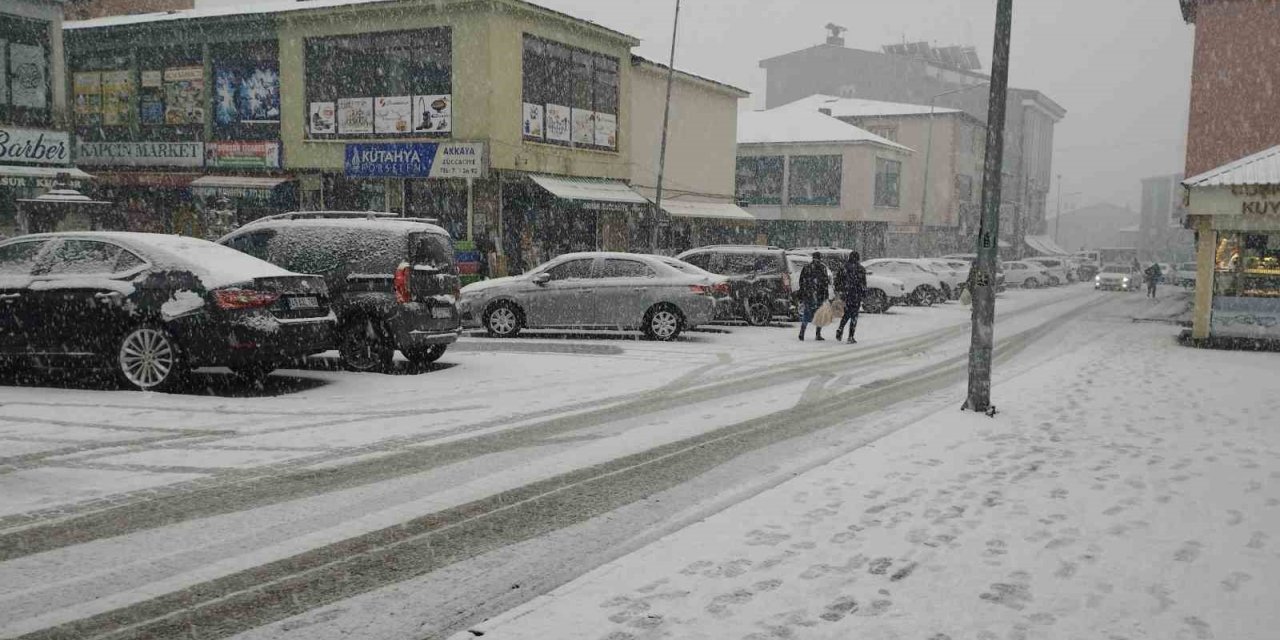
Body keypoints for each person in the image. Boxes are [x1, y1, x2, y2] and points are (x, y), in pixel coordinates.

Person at [834, 252, 867, 344]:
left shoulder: (844, 268)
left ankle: (840, 328)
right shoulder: (861, 269)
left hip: (846, 294)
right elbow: (863, 283)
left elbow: (837, 281)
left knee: (847, 313)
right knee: (854, 315)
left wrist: (840, 290)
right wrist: (864, 294)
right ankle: (851, 336)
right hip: (856, 294)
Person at [798, 251, 831, 341]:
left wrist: (803, 292)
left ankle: (802, 332)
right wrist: (825, 295)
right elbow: (825, 283)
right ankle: (818, 334)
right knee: (820, 314)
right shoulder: (822, 268)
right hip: (819, 294)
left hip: (809, 294)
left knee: (807, 314)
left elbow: (801, 281)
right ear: (820, 259)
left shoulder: (807, 267)